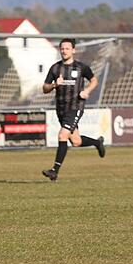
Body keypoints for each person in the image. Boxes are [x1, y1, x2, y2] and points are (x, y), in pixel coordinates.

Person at [41, 38, 105, 181]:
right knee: (75, 141)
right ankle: (97, 143)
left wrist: (87, 91)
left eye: (67, 48)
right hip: (61, 108)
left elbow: (94, 80)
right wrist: (54, 85)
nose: (64, 51)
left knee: (62, 136)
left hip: (75, 107)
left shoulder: (82, 68)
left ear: (73, 50)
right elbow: (45, 88)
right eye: (62, 48)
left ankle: (54, 171)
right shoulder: (55, 68)